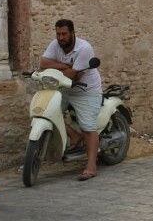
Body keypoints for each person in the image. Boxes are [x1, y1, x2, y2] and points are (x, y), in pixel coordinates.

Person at [39, 18, 102, 181]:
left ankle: (91, 166)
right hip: (65, 88)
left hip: (86, 90)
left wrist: (57, 69)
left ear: (73, 33)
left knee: (88, 126)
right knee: (47, 112)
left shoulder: (84, 48)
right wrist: (63, 66)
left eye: (64, 34)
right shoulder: (56, 44)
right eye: (58, 34)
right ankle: (74, 135)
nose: (61, 38)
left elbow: (76, 75)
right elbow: (43, 62)